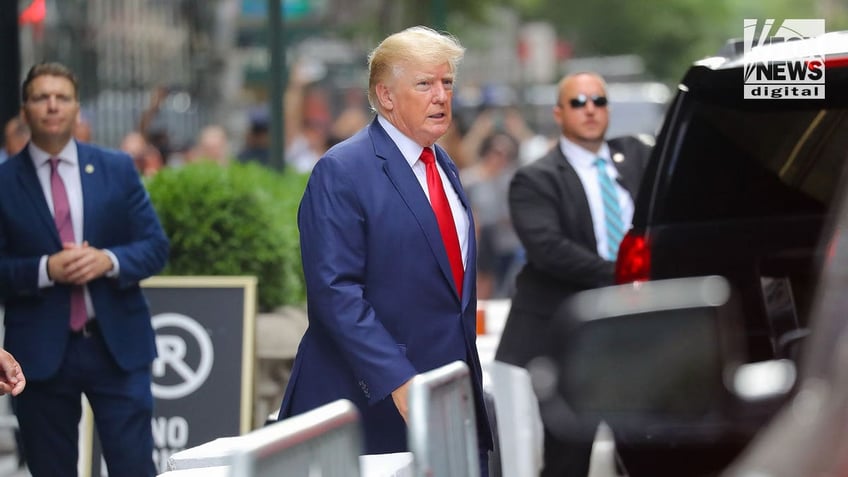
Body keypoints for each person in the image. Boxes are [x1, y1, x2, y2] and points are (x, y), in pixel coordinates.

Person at [277, 26, 493, 474]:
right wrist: (398, 380)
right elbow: (335, 292)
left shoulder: (442, 164)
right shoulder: (342, 170)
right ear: (386, 96)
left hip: (444, 403)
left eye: (447, 83)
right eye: (424, 84)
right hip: (367, 409)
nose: (441, 96)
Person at [0, 62, 169, 477]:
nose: (52, 106)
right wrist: (45, 269)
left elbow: (154, 247)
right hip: (39, 353)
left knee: (134, 467)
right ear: (25, 111)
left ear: (78, 108)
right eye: (41, 97)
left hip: (117, 345)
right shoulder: (4, 182)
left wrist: (108, 260)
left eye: (63, 97)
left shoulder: (116, 168)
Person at [495, 72, 652, 477]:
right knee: (570, 451)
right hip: (573, 333)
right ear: (559, 113)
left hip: (640, 325)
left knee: (648, 444)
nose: (590, 109)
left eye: (598, 101)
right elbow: (550, 250)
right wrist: (627, 275)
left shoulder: (636, 155)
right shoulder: (536, 178)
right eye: (578, 102)